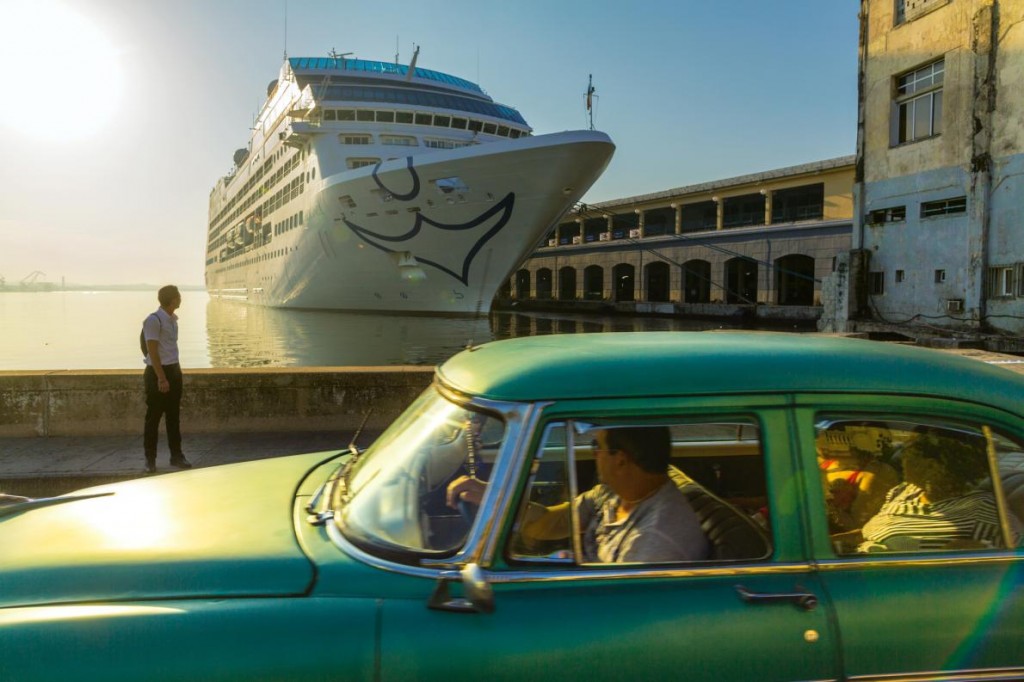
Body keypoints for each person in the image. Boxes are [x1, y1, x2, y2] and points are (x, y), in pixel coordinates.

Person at [448, 426, 709, 563]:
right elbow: (549, 523)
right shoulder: (612, 495)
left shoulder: (654, 540)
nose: (593, 452)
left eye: (597, 445)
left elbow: (617, 610)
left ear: (620, 460)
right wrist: (494, 496)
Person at [858, 431, 1018, 552]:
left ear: (933, 467)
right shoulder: (903, 491)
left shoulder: (981, 509)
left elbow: (1014, 548)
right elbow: (871, 531)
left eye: (909, 457)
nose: (902, 462)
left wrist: (976, 550)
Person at [142, 285, 191, 474]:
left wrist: (174, 374)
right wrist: (161, 378)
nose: (181, 299)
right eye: (179, 296)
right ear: (173, 300)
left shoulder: (173, 320)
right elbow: (152, 351)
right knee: (153, 418)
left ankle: (176, 456)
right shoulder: (153, 320)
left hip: (173, 370)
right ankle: (150, 459)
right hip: (157, 373)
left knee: (173, 417)